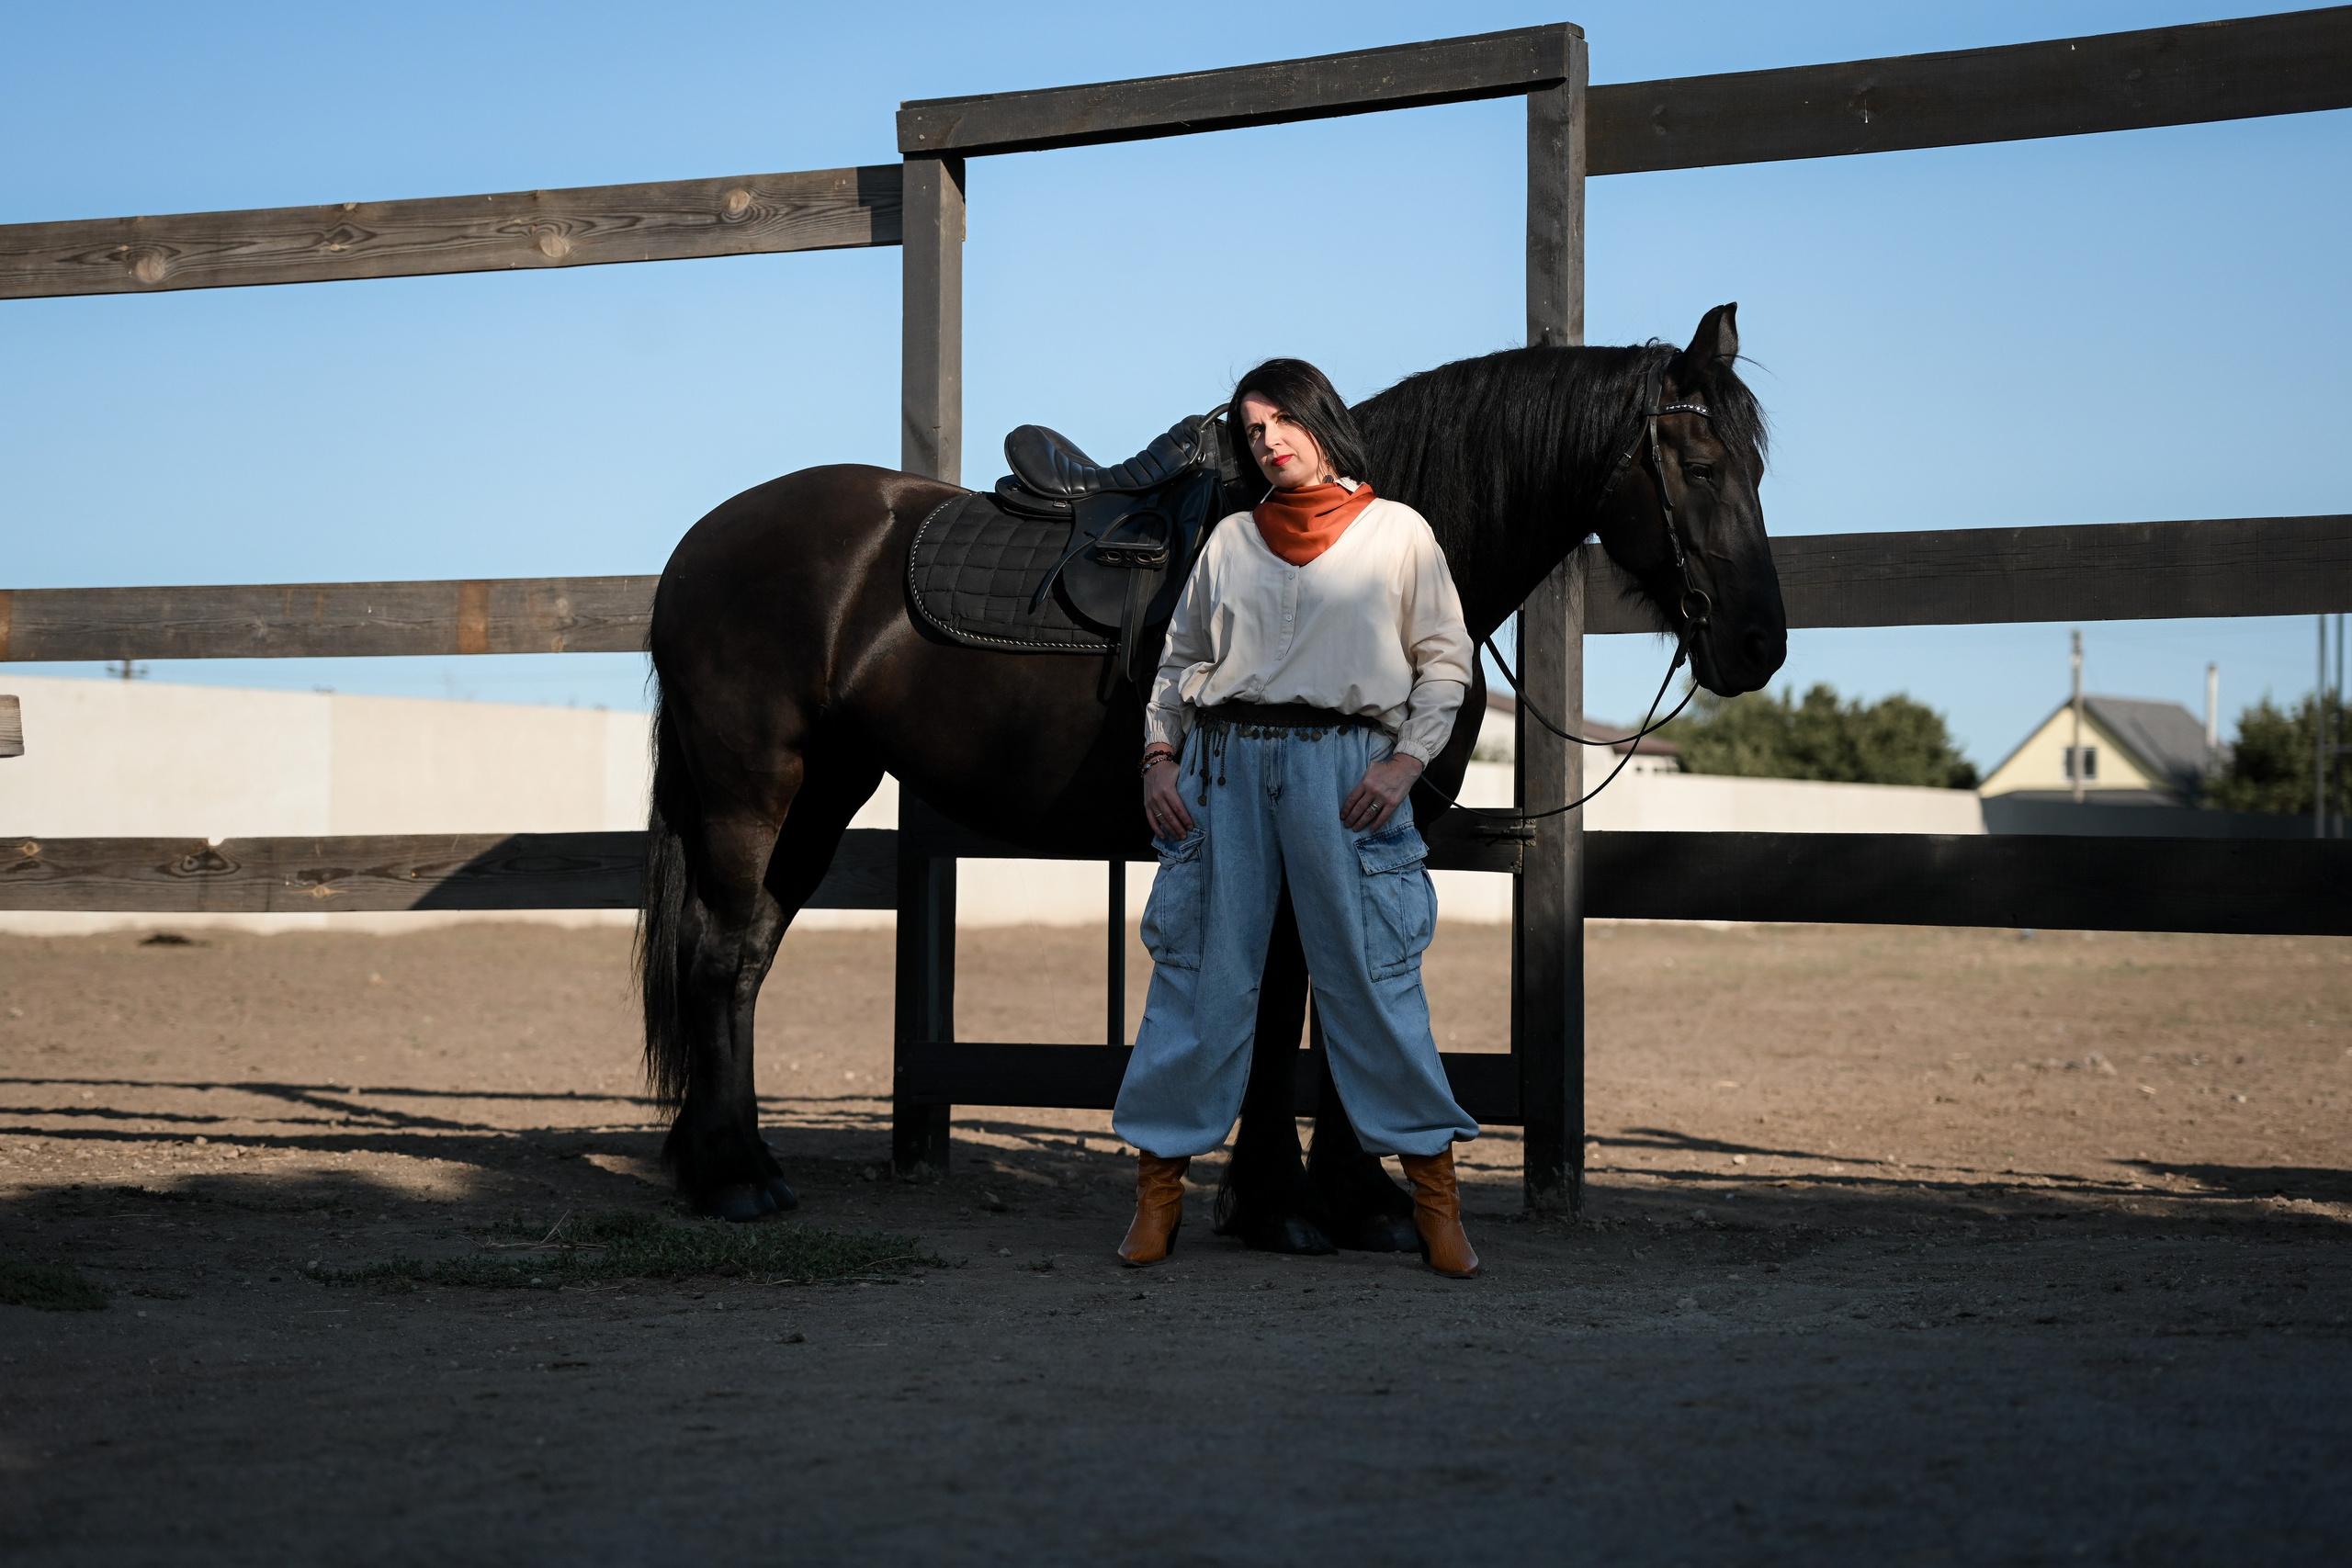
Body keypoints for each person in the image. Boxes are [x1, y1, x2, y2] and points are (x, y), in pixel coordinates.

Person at [1113, 357, 1481, 1277]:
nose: (1266, 439)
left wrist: (1405, 761)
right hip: (1224, 773)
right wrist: (1160, 757)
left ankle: (1436, 1202)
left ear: (1322, 422)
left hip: (1345, 776)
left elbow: (1444, 663)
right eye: (1251, 429)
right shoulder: (1232, 540)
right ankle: (1157, 1197)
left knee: (1374, 985)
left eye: (1281, 420)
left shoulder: (1398, 535)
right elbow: (1175, 665)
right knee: (1199, 980)